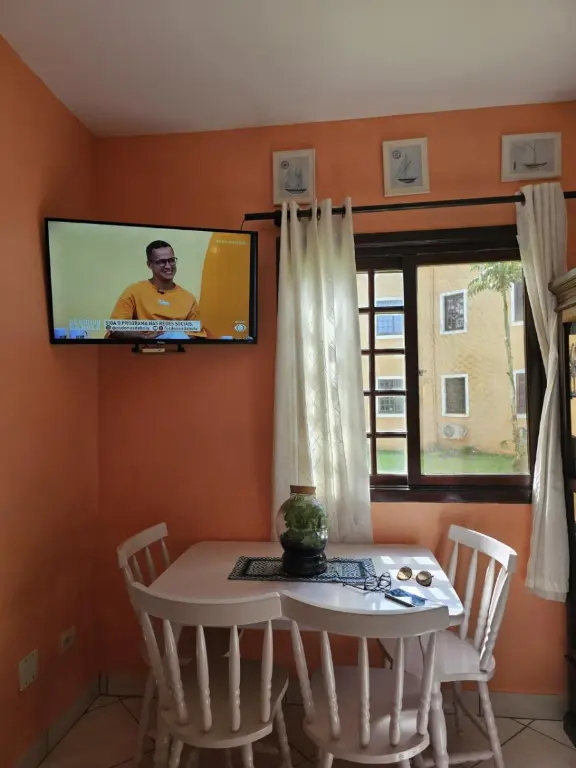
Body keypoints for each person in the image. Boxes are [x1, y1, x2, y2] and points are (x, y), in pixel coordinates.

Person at [108, 240, 207, 340]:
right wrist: (145, 336)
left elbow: (197, 335)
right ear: (149, 265)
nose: (168, 266)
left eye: (171, 260)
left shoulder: (189, 299)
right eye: (161, 262)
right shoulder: (134, 291)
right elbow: (115, 328)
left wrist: (176, 335)